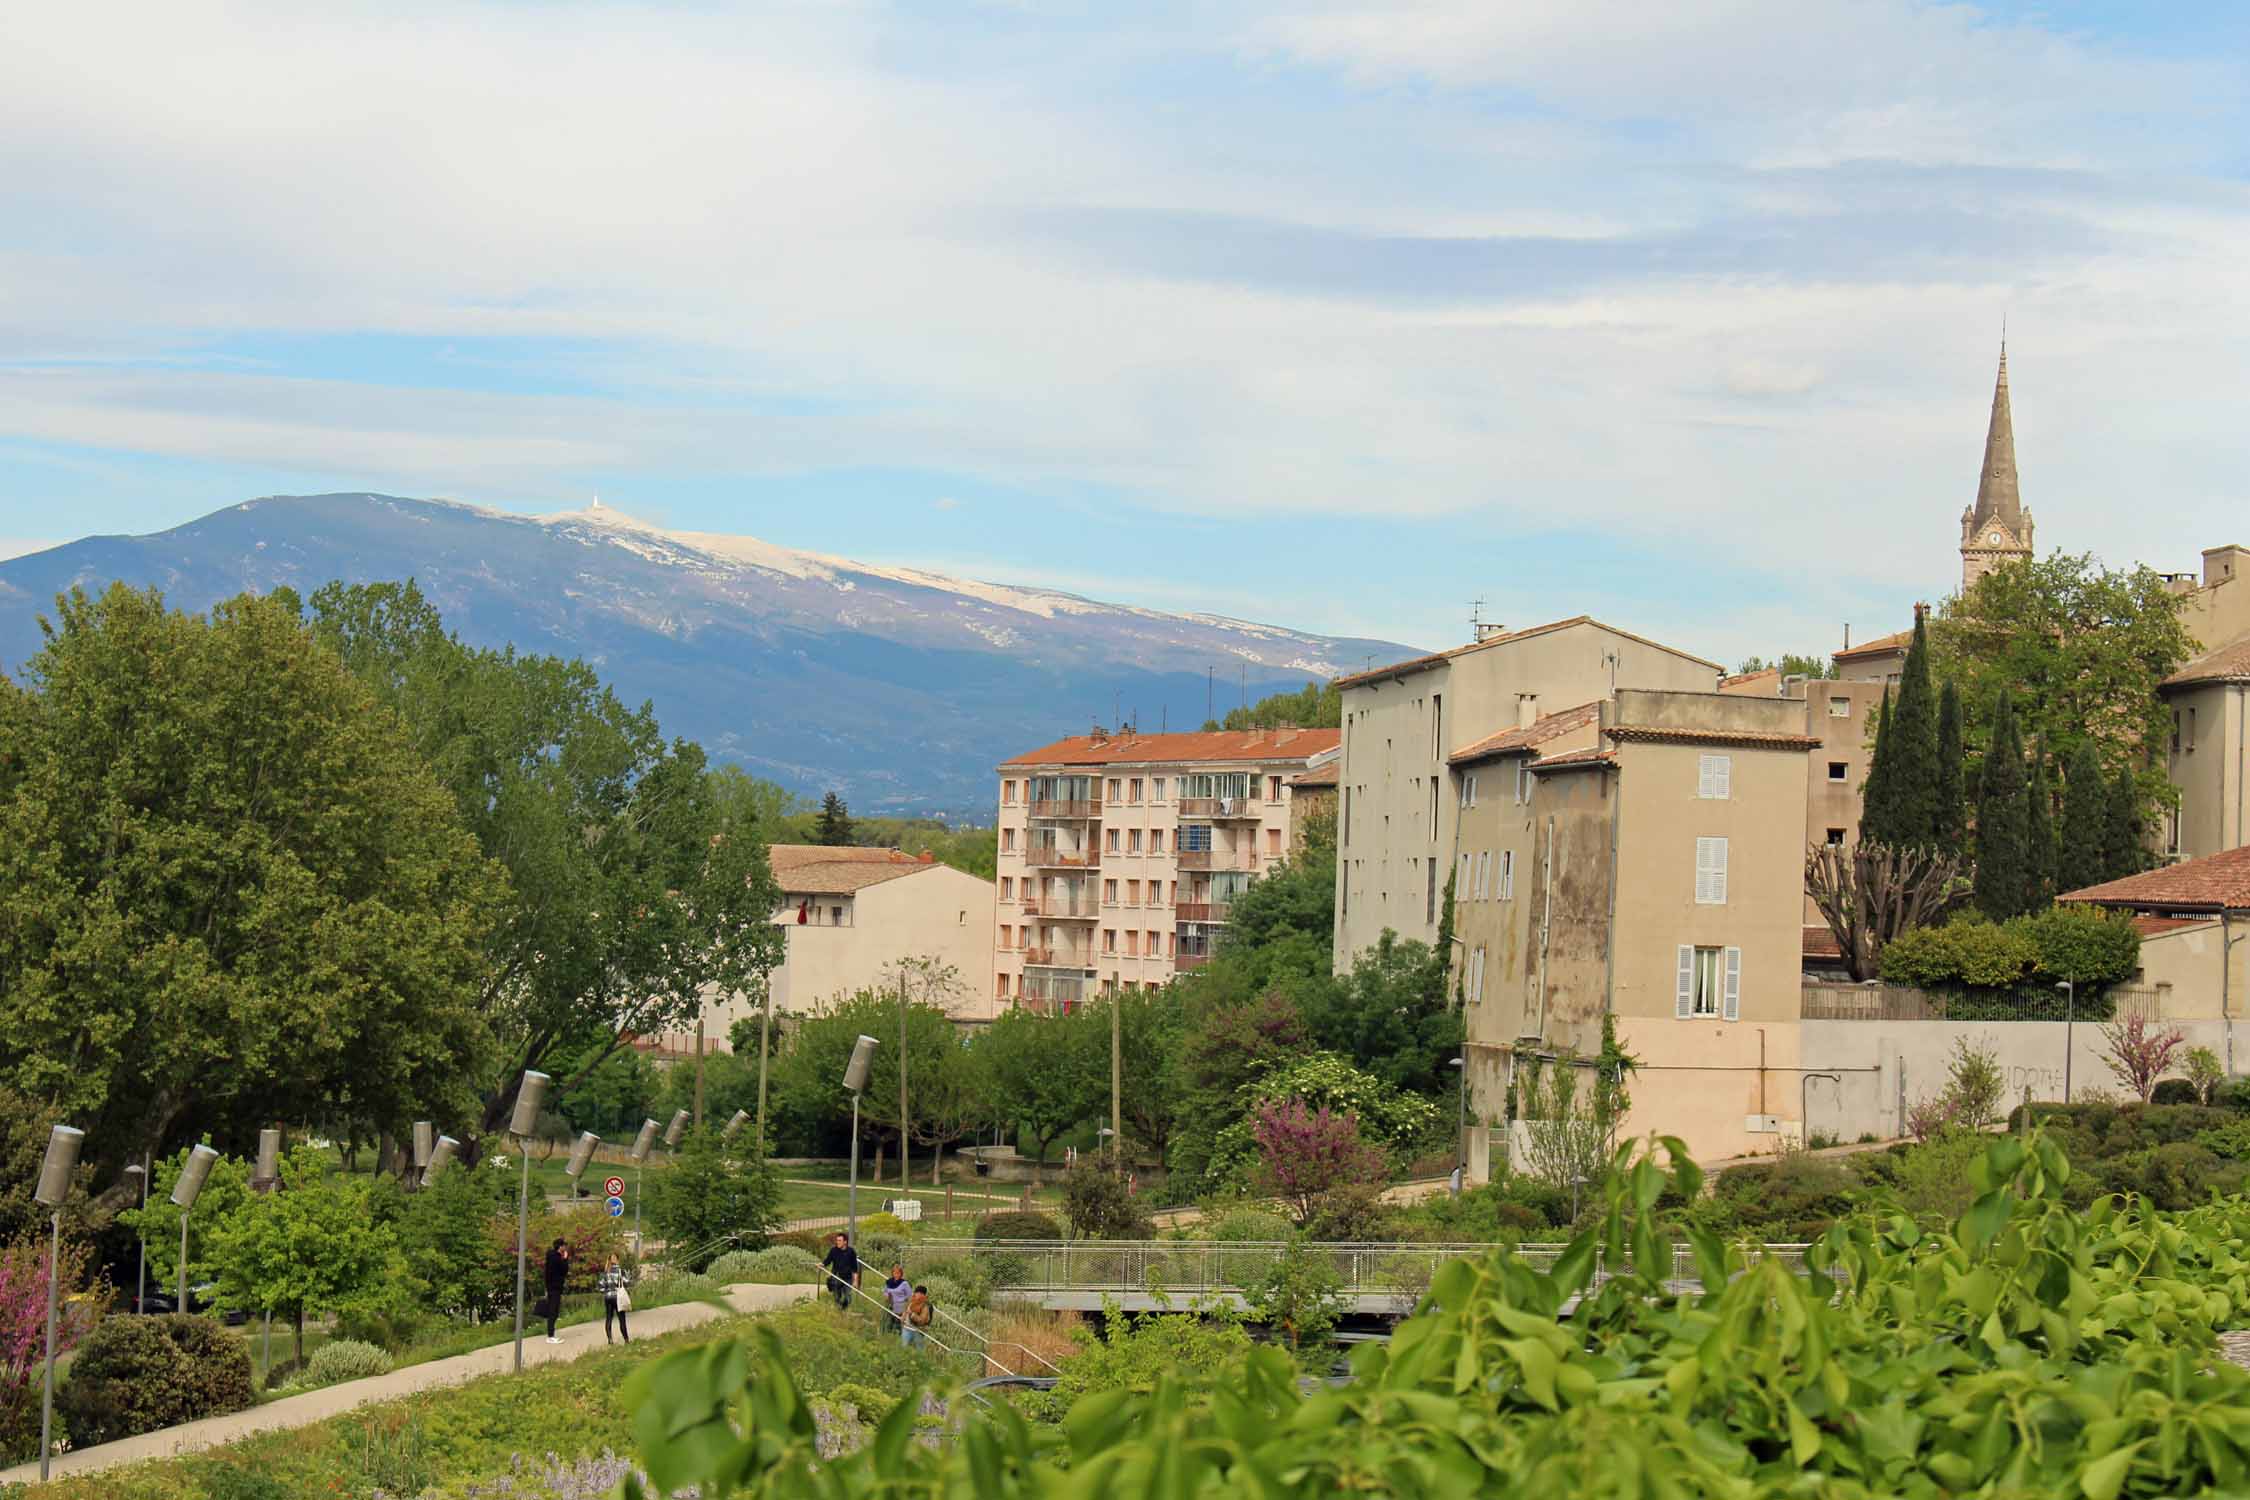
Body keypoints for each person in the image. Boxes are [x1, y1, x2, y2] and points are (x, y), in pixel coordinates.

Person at [541, 1238, 571, 1344]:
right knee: (553, 1311)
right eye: (564, 1246)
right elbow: (564, 1270)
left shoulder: (550, 1256)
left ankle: (551, 1334)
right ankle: (550, 1336)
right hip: (555, 1288)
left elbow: (547, 1274)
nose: (565, 1247)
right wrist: (565, 1259)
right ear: (560, 1246)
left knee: (553, 1311)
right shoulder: (557, 1258)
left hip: (551, 1287)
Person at [821, 1232, 860, 1312]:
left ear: (845, 1242)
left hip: (848, 1278)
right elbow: (827, 1260)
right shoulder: (833, 1250)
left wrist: (855, 1281)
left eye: (839, 1240)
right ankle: (838, 1310)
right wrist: (821, 1264)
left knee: (847, 1298)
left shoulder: (851, 1252)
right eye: (837, 1240)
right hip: (836, 1276)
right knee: (837, 1297)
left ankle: (843, 1310)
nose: (837, 1242)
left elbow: (855, 1269)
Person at [599, 1254, 632, 1345]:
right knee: (621, 1319)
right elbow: (627, 1282)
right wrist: (628, 1276)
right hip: (618, 1297)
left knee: (609, 1318)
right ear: (618, 1260)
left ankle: (610, 1340)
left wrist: (607, 1291)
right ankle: (626, 1340)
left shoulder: (605, 1272)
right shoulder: (621, 1271)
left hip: (608, 1298)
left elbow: (601, 1288)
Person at [882, 1263, 910, 1333]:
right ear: (892, 1273)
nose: (896, 1275)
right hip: (890, 1305)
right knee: (889, 1323)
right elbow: (885, 1291)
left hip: (900, 1306)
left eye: (898, 1273)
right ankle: (889, 1336)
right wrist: (886, 1295)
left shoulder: (904, 1283)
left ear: (901, 1274)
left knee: (899, 1324)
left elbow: (910, 1295)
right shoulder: (889, 1282)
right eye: (895, 1273)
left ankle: (900, 1336)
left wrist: (905, 1303)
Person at [905, 1284, 932, 1349]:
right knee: (905, 1347)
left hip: (919, 1331)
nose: (917, 1294)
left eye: (919, 1293)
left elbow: (922, 1321)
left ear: (923, 1295)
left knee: (918, 1349)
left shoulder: (927, 1306)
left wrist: (912, 1314)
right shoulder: (912, 1302)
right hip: (908, 1328)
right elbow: (906, 1312)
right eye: (916, 1292)